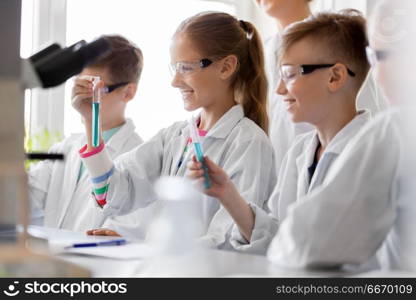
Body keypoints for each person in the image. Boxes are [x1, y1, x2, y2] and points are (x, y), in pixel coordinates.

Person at [74, 12, 276, 250]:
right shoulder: (175, 137)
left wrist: (145, 249)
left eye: (186, 68)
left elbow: (230, 240)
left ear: (226, 67)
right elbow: (111, 194)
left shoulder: (249, 142)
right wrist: (91, 119)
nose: (175, 81)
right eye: (175, 69)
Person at [188, 10, 372, 257]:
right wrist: (228, 194)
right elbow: (278, 235)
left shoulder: (373, 155)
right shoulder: (301, 150)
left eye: (289, 74)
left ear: (335, 76)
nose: (279, 89)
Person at [29, 35, 145, 232]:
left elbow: (120, 234)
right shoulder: (67, 147)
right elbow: (24, 197)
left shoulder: (139, 158)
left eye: (92, 89)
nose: (79, 98)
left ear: (128, 92)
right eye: (78, 86)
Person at [256, 0, 387, 174]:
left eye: (289, 74)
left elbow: (365, 126)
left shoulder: (339, 44)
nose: (280, 89)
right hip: (283, 185)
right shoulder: (261, 52)